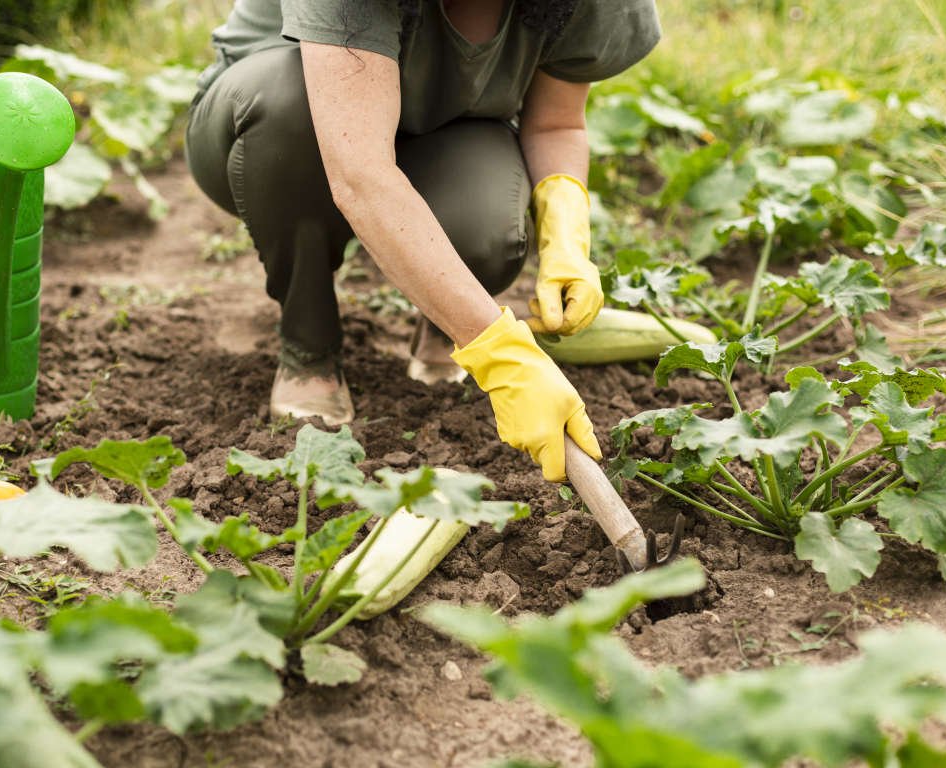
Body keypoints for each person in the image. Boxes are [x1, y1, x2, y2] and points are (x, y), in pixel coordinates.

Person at [186, 0, 661, 482]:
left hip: (443, 129)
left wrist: (565, 236)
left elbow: (557, 123)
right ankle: (308, 342)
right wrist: (503, 357)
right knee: (289, 105)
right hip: (279, 126)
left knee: (487, 228)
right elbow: (361, 176)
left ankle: (445, 321)